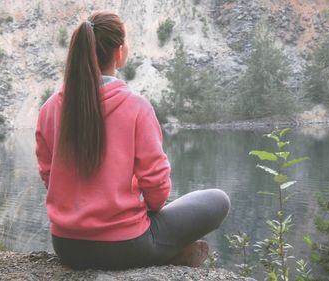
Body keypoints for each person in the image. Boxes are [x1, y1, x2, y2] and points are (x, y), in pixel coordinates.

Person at [35, 11, 230, 270]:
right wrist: (135, 209)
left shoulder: (50, 108)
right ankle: (172, 254)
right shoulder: (135, 106)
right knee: (218, 200)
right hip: (124, 247)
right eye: (126, 41)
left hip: (66, 245)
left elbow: (50, 178)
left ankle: (171, 252)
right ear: (119, 52)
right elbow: (158, 189)